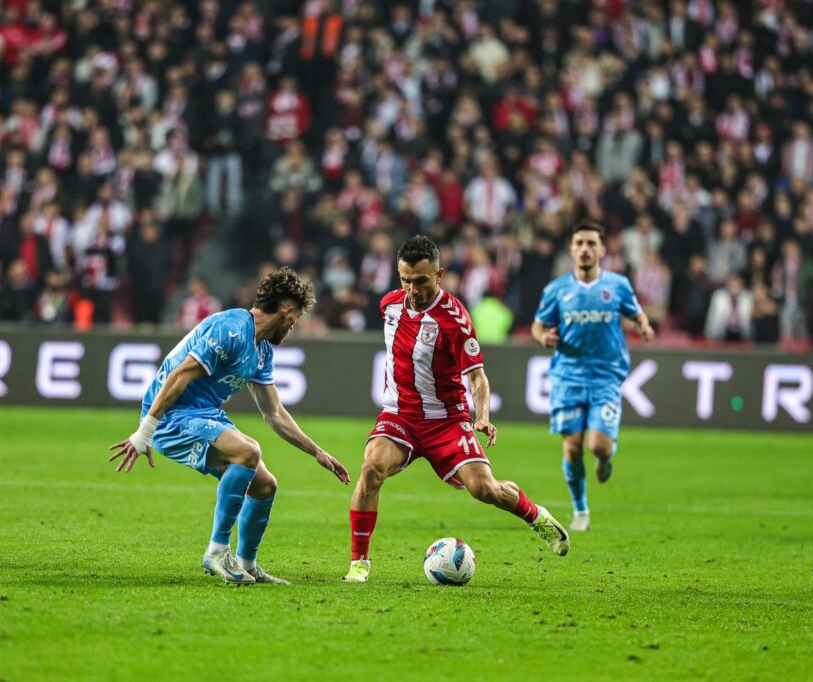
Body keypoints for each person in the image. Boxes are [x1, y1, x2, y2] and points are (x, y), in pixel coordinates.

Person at [343, 236, 570, 584]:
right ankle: (359, 563)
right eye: (405, 280)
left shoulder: (455, 320)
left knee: (485, 490)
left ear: (439, 274)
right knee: (371, 467)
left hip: (446, 421)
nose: (413, 289)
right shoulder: (389, 305)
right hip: (399, 415)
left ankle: (536, 515)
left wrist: (482, 416)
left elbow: (478, 378)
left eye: (421, 280)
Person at [108, 267, 349, 585]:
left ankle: (247, 563)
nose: (293, 327)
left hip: (204, 414)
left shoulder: (261, 350)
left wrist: (317, 452)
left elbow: (273, 412)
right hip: (171, 416)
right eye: (296, 319)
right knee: (248, 451)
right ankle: (217, 552)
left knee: (265, 486)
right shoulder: (231, 328)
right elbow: (179, 375)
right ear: (286, 311)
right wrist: (145, 432)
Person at [531, 221, 655, 533]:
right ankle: (580, 510)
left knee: (597, 446)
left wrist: (643, 325)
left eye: (591, 243)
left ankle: (605, 457)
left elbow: (636, 312)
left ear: (602, 249)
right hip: (568, 376)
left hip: (605, 376)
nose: (585, 249)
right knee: (572, 447)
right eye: (579, 243)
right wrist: (543, 338)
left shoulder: (618, 286)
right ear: (572, 250)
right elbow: (538, 325)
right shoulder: (556, 289)